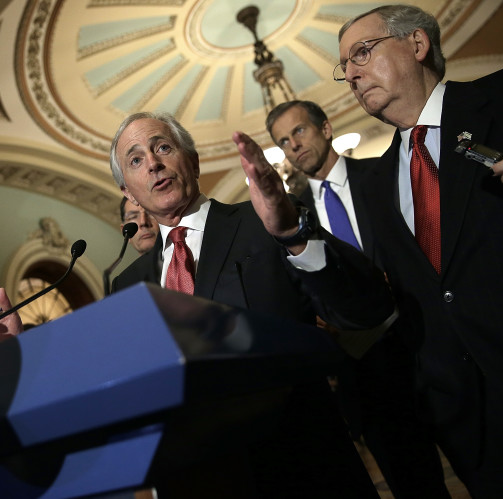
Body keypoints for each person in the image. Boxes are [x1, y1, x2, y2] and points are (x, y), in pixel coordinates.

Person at [108, 111, 396, 497]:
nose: (154, 163)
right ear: (128, 189)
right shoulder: (127, 288)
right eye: (136, 159)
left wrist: (293, 235)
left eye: (162, 147)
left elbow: (364, 307)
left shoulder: (265, 219)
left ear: (192, 161)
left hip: (305, 472)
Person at [337, 4, 503, 496]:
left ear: (417, 45)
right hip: (471, 428)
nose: (352, 75)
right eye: (345, 69)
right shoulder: (372, 184)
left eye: (362, 53)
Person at [267, 99, 449, 498]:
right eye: (283, 141)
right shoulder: (290, 222)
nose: (293, 145)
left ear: (326, 128)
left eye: (299, 131)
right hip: (366, 375)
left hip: (433, 348)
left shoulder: (385, 174)